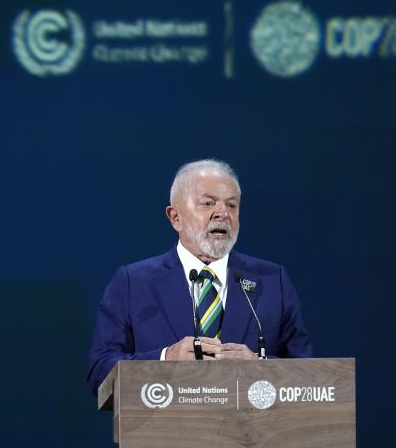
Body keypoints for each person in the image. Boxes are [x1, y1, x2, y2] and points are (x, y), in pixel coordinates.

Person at [86, 159, 312, 394]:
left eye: (232, 205)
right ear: (176, 218)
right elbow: (100, 373)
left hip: (250, 427)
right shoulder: (133, 283)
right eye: (208, 203)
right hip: (165, 426)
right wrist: (165, 359)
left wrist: (260, 368)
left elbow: (308, 376)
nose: (223, 213)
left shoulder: (272, 281)